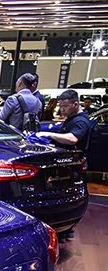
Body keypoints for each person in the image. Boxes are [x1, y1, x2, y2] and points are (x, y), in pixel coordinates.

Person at [37, 89, 93, 241]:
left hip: (72, 165)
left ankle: (66, 229)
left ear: (75, 104)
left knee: (69, 195)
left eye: (65, 106)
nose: (62, 109)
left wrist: (49, 134)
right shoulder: (72, 119)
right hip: (67, 164)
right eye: (60, 106)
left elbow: (73, 138)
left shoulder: (81, 121)